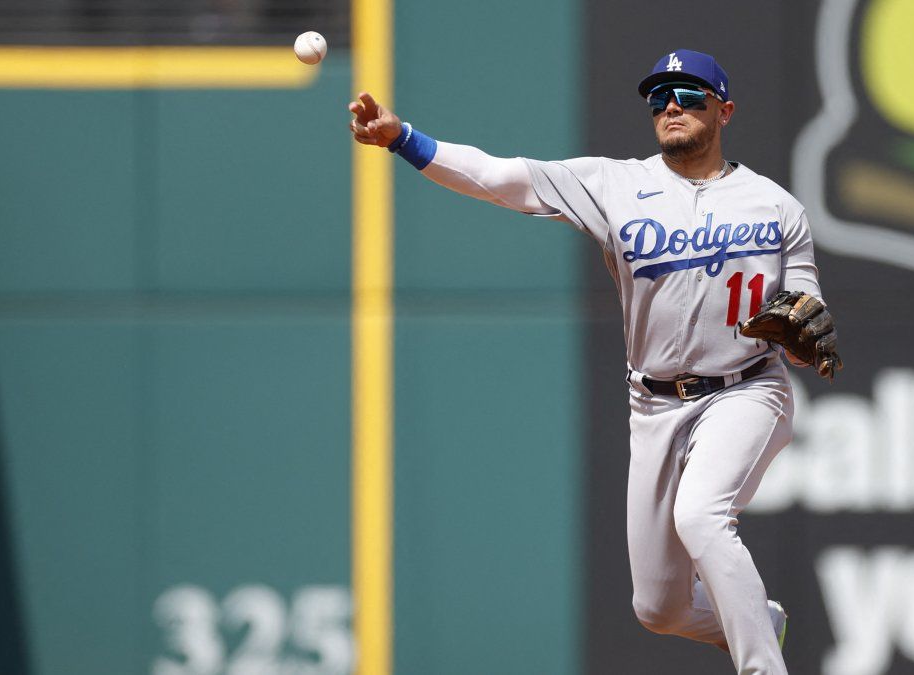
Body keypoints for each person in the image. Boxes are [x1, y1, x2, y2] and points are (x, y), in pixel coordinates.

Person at [348, 48, 840, 675]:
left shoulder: (775, 206)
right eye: (660, 96)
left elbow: (807, 303)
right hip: (655, 401)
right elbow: (499, 178)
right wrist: (403, 139)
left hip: (747, 389)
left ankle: (761, 667)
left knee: (703, 515)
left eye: (690, 95)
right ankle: (759, 621)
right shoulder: (613, 185)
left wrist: (803, 325)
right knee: (658, 608)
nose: (671, 106)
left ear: (724, 110)